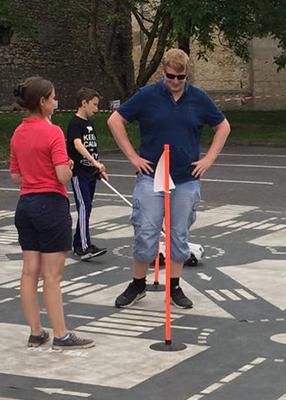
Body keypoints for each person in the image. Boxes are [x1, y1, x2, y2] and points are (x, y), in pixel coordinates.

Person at [107, 49, 231, 309]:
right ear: (162, 71)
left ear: (187, 74)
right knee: (145, 231)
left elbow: (223, 126)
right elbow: (115, 120)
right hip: (151, 176)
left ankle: (174, 286)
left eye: (181, 77)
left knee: (178, 234)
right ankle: (137, 284)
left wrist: (208, 159)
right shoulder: (147, 95)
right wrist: (132, 157)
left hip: (186, 178)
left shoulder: (198, 98)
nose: (175, 82)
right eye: (171, 76)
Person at [9, 77, 94, 349]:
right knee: (53, 277)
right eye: (53, 97)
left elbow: (15, 177)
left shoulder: (17, 133)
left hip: (26, 205)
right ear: (43, 102)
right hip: (51, 205)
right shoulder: (54, 132)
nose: (55, 102)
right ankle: (61, 334)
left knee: (28, 273)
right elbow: (62, 175)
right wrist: (68, 165)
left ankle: (36, 332)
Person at [67, 87, 109, 260]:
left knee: (88, 208)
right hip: (79, 173)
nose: (96, 109)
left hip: (90, 173)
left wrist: (98, 169)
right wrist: (94, 162)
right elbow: (78, 145)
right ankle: (85, 247)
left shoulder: (90, 124)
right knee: (84, 207)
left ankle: (78, 243)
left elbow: (92, 148)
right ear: (83, 103)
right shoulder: (75, 123)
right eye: (94, 105)